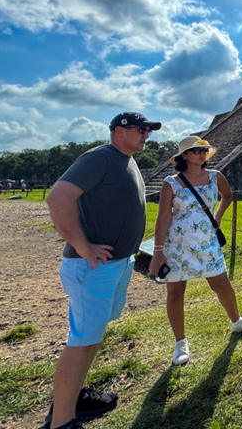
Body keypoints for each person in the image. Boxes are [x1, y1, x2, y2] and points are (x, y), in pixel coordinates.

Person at [44, 111, 161, 429]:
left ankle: (74, 397)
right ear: (119, 131)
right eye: (141, 129)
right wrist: (82, 245)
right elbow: (58, 198)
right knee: (82, 339)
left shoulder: (126, 160)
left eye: (148, 131)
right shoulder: (101, 157)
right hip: (93, 266)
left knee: (92, 335)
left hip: (115, 264)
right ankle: (61, 422)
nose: (146, 135)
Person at [149, 136, 242, 366]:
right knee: (176, 293)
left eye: (204, 150)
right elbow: (163, 217)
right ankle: (180, 342)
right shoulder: (171, 183)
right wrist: (158, 250)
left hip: (206, 242)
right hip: (178, 245)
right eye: (196, 150)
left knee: (222, 285)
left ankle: (236, 321)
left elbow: (227, 196)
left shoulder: (215, 177)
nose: (201, 154)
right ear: (184, 156)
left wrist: (217, 217)